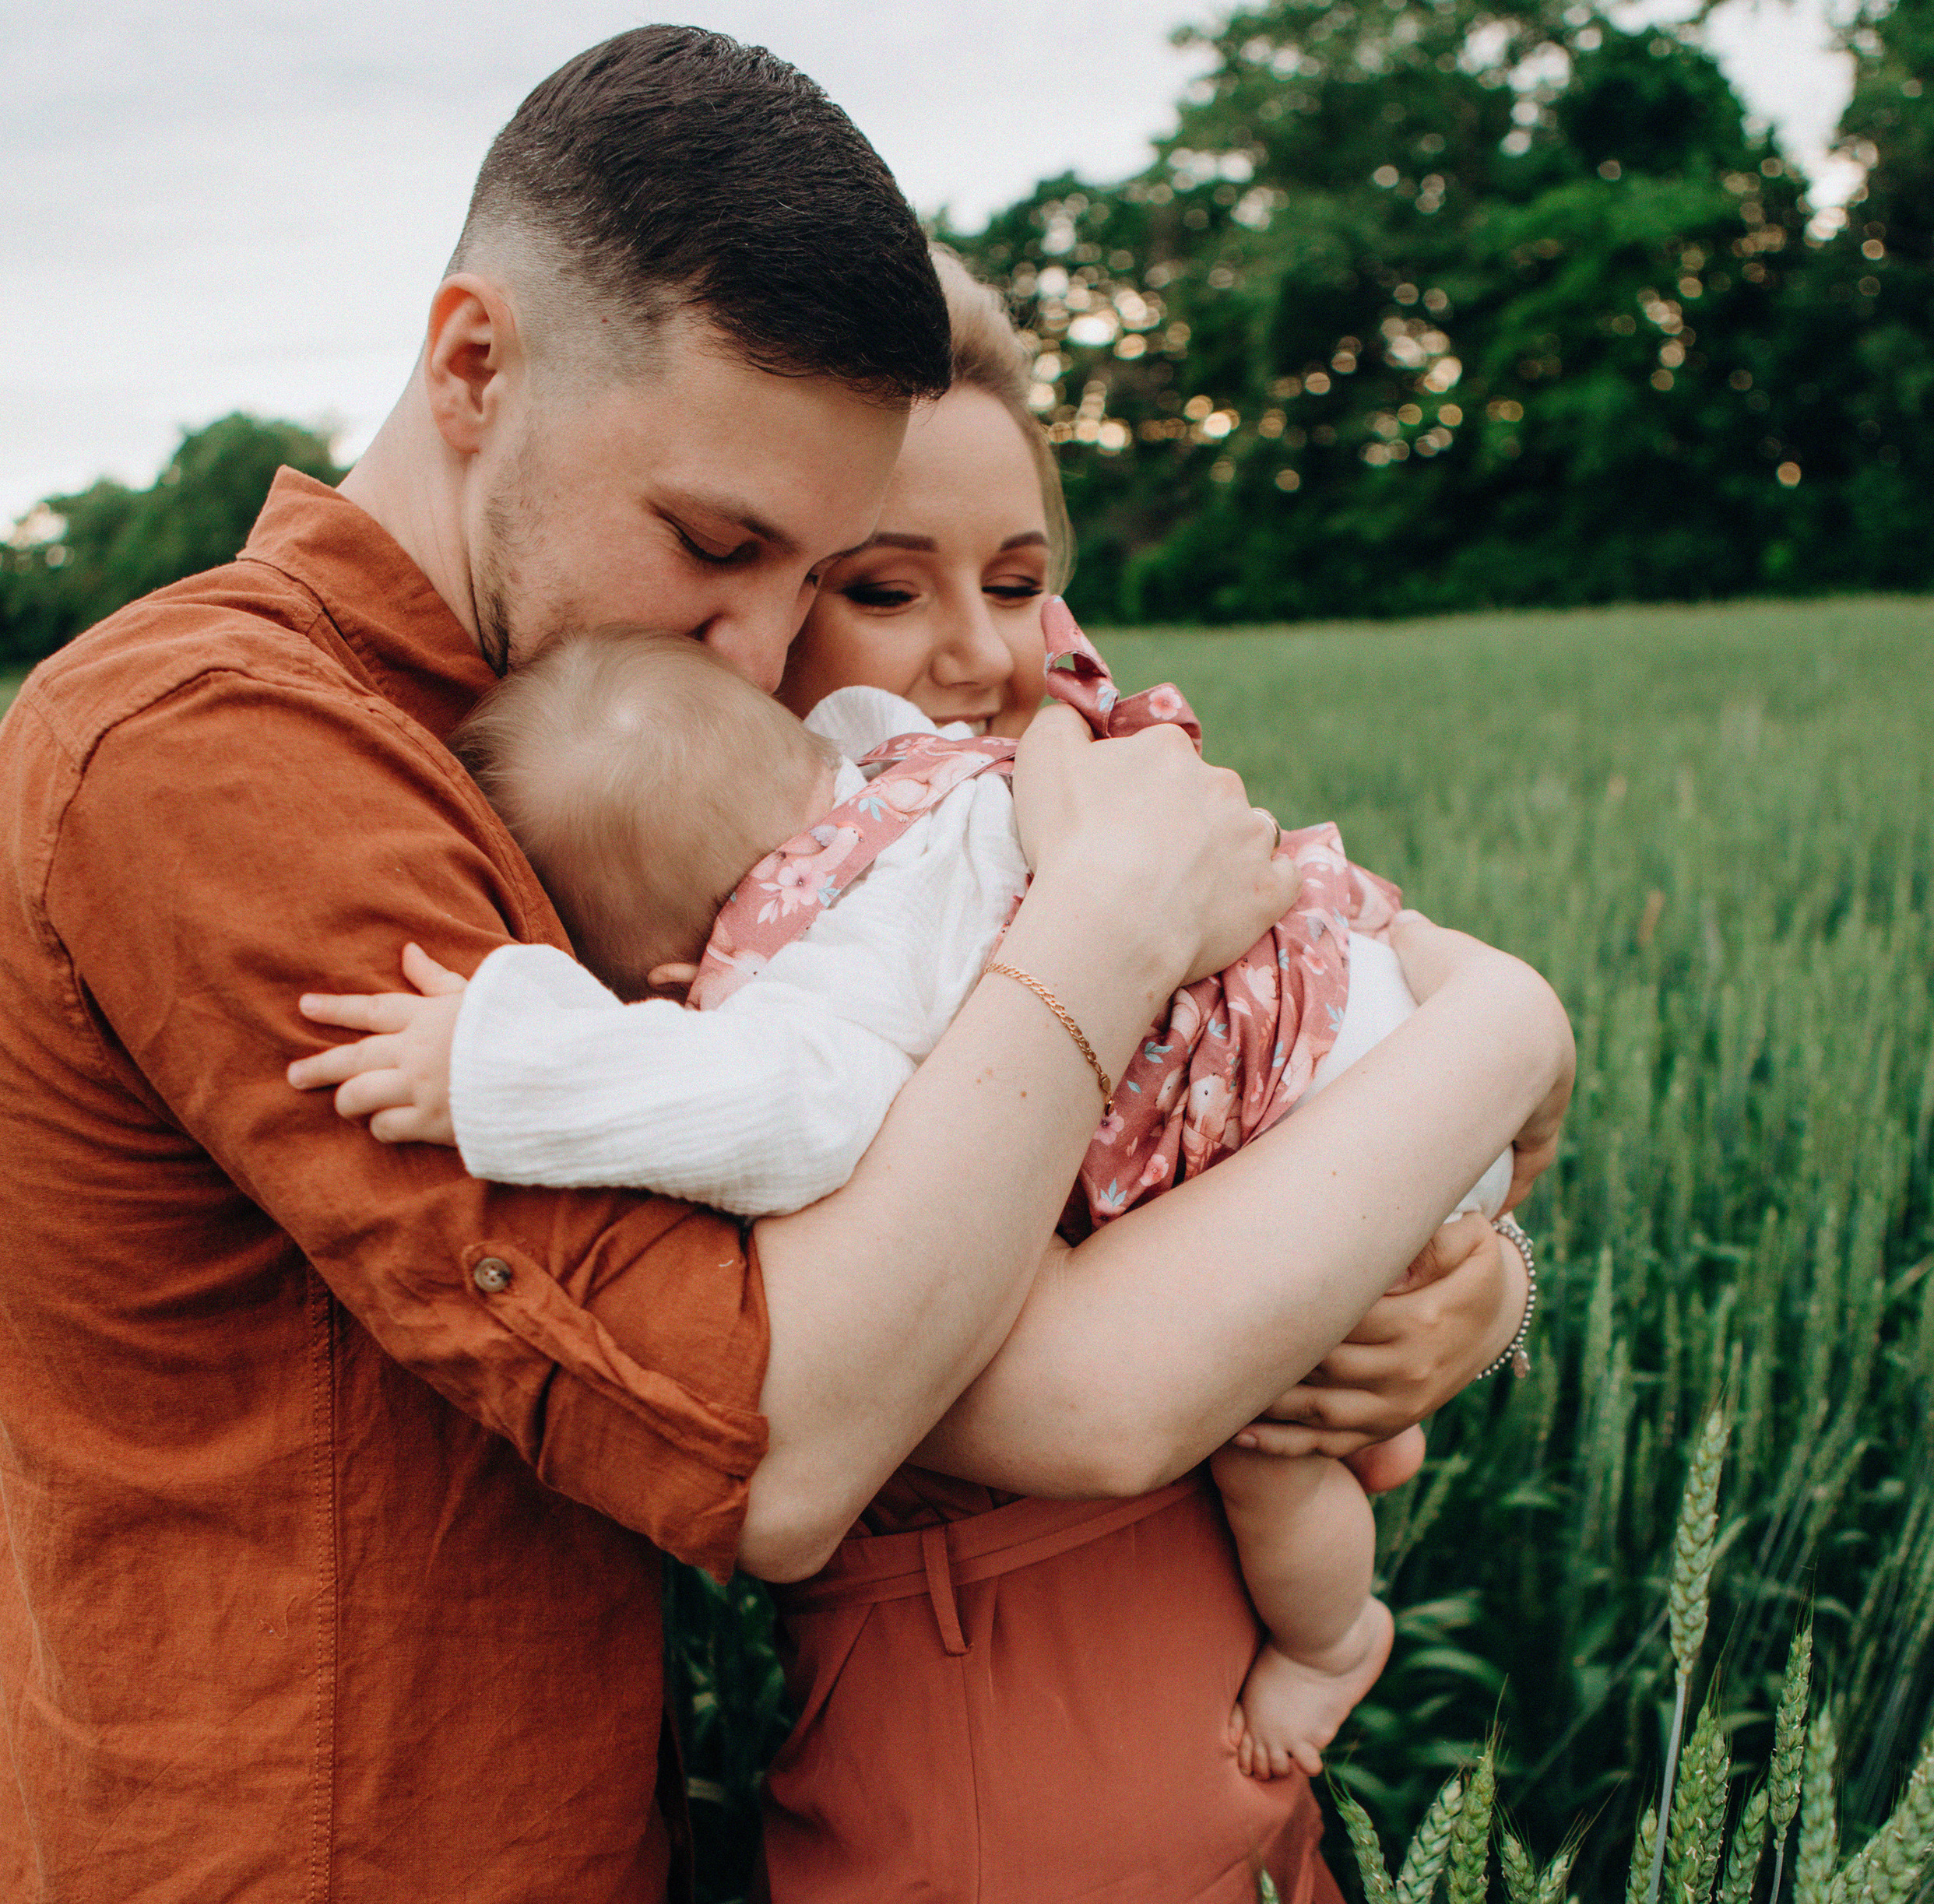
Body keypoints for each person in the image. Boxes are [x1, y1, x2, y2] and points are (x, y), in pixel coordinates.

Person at [0, 33, 1331, 1904]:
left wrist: (1380, 1269)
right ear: (472, 366)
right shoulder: (224, 755)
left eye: (802, 577)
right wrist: (1086, 943)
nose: (751, 654)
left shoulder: (502, 719)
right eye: (715, 547)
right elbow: (766, 1433)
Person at [279, 234, 1570, 1904]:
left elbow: (1416, 1046)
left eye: (1028, 571)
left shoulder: (1036, 850)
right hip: (1012, 1895)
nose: (997, 656)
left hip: (1233, 1836)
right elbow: (1100, 1394)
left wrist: (1467, 1268)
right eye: (887, 587)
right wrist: (1493, 1047)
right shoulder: (810, 989)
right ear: (743, 639)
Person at [291, 612, 1515, 1781]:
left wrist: (499, 1059)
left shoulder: (813, 954)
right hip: (1377, 1011)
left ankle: (1334, 1639)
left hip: (1322, 1115)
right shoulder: (920, 769)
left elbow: (778, 1105)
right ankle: (1380, 1393)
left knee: (1270, 1452)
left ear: (669, 978)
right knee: (1332, 1373)